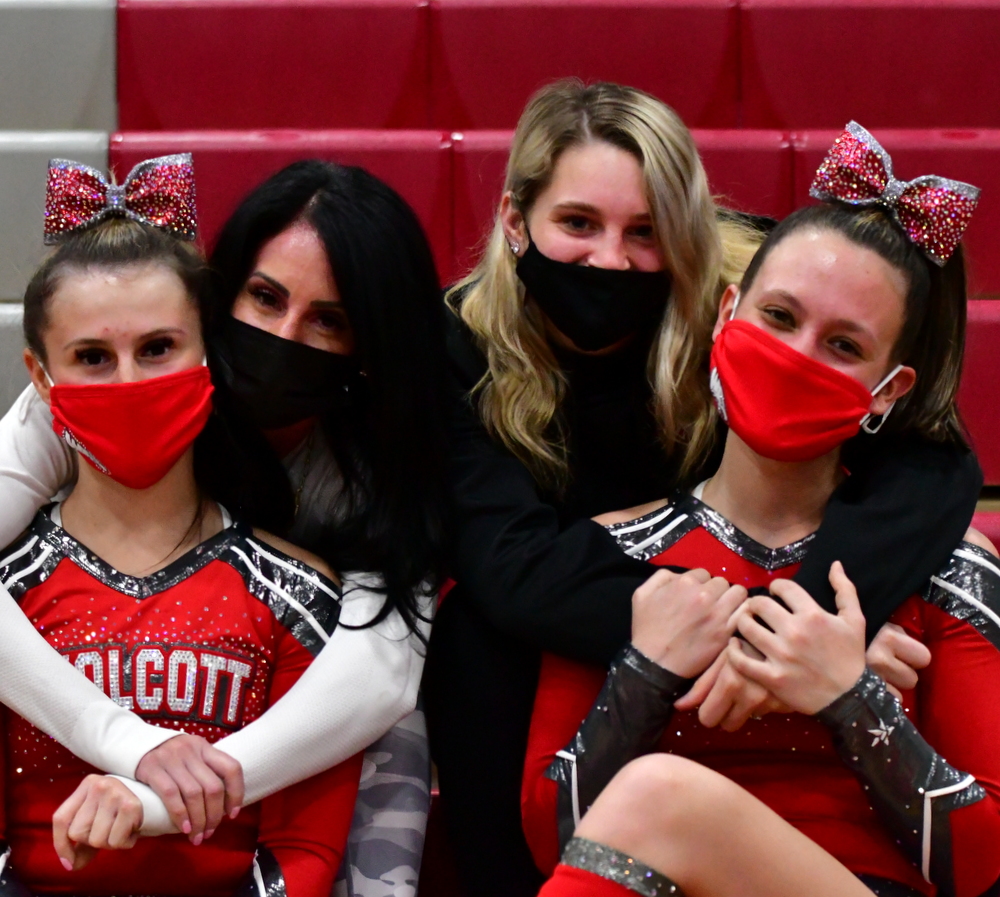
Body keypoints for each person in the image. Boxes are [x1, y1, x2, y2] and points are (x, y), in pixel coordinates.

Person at [425, 81, 982, 897]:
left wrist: (826, 657)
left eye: (645, 231)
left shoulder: (786, 267)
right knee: (473, 634)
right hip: (605, 600)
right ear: (516, 221)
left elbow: (940, 462)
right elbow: (512, 571)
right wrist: (723, 645)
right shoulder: (458, 343)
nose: (610, 259)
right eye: (577, 222)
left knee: (657, 794)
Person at [0, 159, 445, 895]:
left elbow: (378, 681)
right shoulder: (71, 399)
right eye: (265, 297)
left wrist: (163, 798)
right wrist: (133, 745)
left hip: (300, 717)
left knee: (399, 732)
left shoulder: (392, 457)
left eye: (329, 319)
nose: (284, 335)